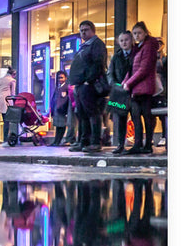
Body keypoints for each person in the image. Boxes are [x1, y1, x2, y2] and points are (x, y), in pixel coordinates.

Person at [121, 20, 164, 155]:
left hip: (145, 88)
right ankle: (138, 144)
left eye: (139, 33)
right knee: (136, 116)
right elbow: (133, 68)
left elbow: (143, 69)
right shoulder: (138, 47)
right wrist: (125, 81)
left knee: (147, 117)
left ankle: (146, 144)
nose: (136, 35)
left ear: (145, 33)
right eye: (134, 33)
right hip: (136, 88)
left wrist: (129, 83)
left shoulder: (149, 46)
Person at [66, 21, 108, 151]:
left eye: (86, 30)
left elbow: (98, 64)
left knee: (93, 114)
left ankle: (95, 142)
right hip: (80, 85)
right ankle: (84, 141)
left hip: (89, 85)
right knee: (82, 115)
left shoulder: (97, 44)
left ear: (93, 31)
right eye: (81, 30)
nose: (83, 32)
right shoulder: (84, 46)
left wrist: (88, 81)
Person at [106, 30, 136, 153]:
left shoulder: (137, 54)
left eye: (126, 40)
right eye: (122, 40)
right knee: (120, 119)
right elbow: (110, 74)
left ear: (132, 41)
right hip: (119, 93)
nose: (124, 43)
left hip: (134, 91)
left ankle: (137, 144)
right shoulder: (116, 57)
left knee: (136, 118)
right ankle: (120, 144)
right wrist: (115, 85)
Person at [50, 70, 71, 146]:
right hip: (56, 110)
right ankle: (56, 141)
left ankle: (58, 141)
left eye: (62, 78)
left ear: (65, 78)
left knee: (62, 126)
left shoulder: (67, 87)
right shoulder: (57, 87)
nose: (60, 80)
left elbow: (67, 100)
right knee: (57, 126)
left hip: (62, 110)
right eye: (58, 78)